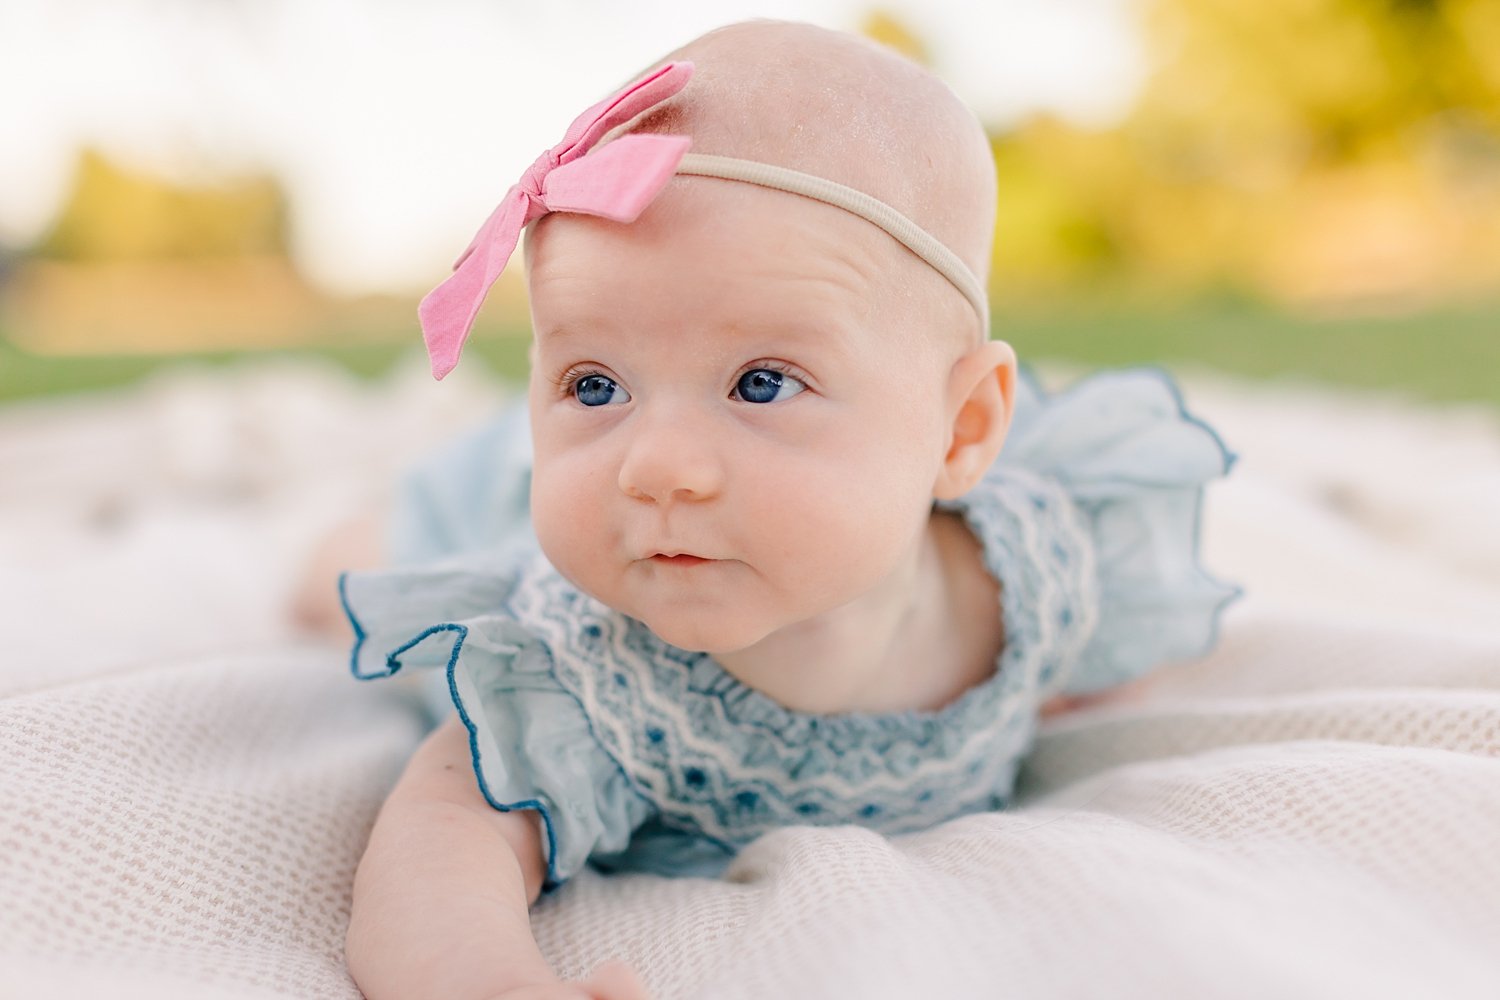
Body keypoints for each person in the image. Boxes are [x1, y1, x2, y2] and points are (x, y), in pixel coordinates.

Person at [317, 20, 1241, 1000]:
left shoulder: (1040, 565)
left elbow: (1103, 646)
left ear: (962, 431)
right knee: (351, 566)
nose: (657, 465)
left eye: (762, 383)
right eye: (592, 384)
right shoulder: (576, 679)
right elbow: (437, 842)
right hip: (482, 510)